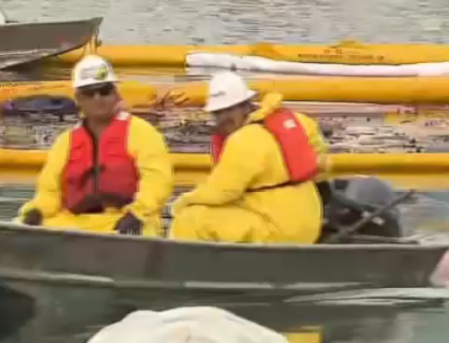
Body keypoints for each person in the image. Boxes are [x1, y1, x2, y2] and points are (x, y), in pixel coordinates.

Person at [16, 55, 174, 236]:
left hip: (125, 219)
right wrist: (37, 211)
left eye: (104, 91)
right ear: (78, 98)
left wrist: (136, 213)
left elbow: (158, 182)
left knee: (143, 229)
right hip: (75, 222)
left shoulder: (143, 133)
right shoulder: (65, 141)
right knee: (22, 223)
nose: (98, 98)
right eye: (89, 93)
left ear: (115, 93)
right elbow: (49, 190)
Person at [169, 71, 327, 244]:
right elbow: (320, 157)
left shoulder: (243, 139)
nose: (223, 118)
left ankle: (184, 267)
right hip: (309, 223)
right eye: (218, 113)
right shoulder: (299, 121)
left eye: (229, 110)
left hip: (276, 230)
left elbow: (221, 192)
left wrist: (182, 202)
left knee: (191, 218)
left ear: (245, 106)